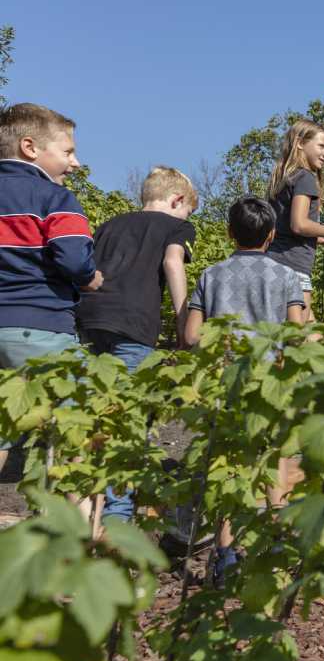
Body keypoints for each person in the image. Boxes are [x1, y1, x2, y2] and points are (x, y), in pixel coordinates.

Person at [184, 196, 306, 586]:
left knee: (226, 466)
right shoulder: (288, 277)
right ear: (272, 235)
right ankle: (276, 549)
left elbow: (191, 336)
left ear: (228, 233)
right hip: (270, 386)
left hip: (225, 383)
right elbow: (296, 336)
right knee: (273, 464)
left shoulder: (210, 275)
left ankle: (225, 556)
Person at [76, 165, 198, 524]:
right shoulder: (177, 227)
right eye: (188, 210)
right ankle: (117, 518)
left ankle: (87, 508)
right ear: (177, 200)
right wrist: (182, 318)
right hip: (134, 327)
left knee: (101, 413)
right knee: (130, 421)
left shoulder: (110, 224)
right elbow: (173, 263)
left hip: (92, 321)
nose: (188, 217)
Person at [0, 103, 102, 472]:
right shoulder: (55, 198)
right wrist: (90, 277)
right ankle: (72, 522)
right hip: (42, 325)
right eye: (68, 151)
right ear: (30, 148)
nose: (75, 163)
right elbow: (73, 257)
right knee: (81, 426)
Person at [266, 119, 324, 322]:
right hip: (293, 269)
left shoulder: (283, 177)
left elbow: (287, 229)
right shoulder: (305, 178)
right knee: (296, 340)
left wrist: (321, 240)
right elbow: (299, 224)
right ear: (300, 143)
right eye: (321, 146)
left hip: (274, 263)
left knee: (314, 336)